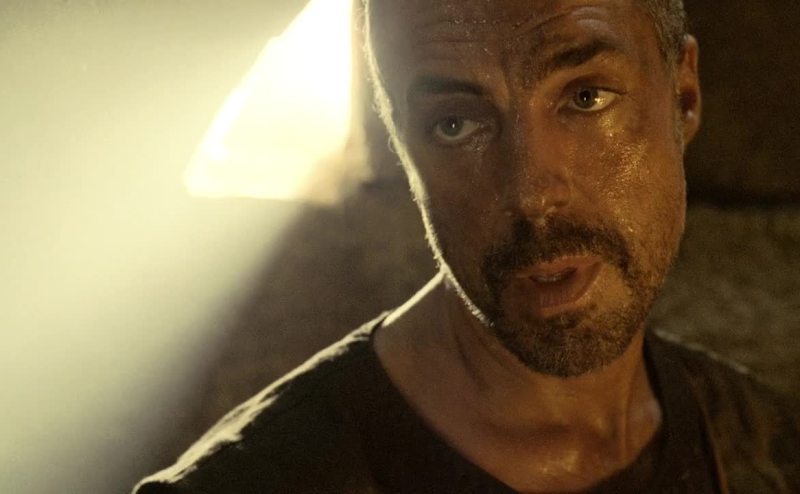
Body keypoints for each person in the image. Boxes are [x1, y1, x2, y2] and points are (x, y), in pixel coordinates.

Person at [134, 0, 799, 492]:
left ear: (683, 97)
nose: (532, 194)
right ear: (403, 148)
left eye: (586, 97)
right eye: (454, 124)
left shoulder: (770, 449)